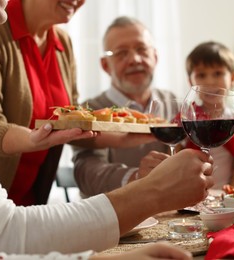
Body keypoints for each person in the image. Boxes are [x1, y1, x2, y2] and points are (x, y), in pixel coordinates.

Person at [0, 0, 214, 258]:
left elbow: (73, 124)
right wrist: (151, 188)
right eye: (122, 53)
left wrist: (120, 138)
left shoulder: (61, 43)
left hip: (31, 207)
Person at [0, 0, 101, 206]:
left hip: (33, 201)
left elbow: (71, 120)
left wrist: (128, 133)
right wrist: (34, 139)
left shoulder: (63, 42)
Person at [73, 16, 176, 197]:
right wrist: (136, 177)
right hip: (114, 221)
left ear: (156, 56)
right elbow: (87, 173)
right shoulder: (89, 110)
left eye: (142, 50)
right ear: (105, 65)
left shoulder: (174, 102)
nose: (135, 59)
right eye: (121, 53)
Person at [184, 41, 234, 190]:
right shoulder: (187, 117)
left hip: (227, 193)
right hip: (194, 194)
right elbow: (178, 157)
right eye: (201, 75)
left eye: (218, 73)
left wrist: (232, 193)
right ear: (190, 81)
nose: (210, 82)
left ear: (233, 77)